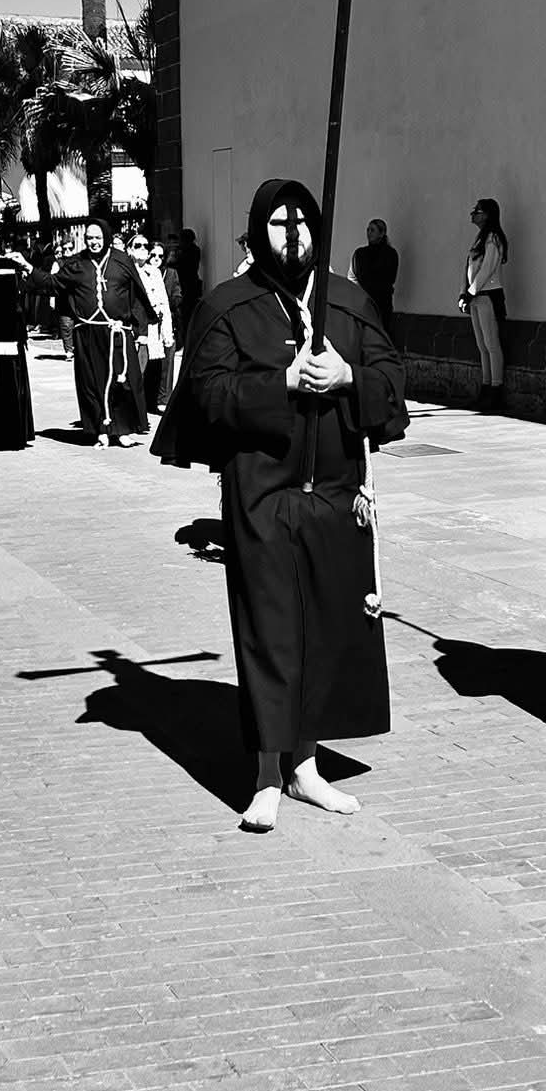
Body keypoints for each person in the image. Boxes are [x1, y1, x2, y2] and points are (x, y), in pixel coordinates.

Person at [153, 177, 407, 832]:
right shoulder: (229, 306)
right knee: (269, 631)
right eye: (278, 223)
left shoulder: (348, 303)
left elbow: (391, 381)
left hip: (335, 497)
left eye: (301, 222)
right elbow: (208, 394)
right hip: (263, 496)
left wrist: (349, 377)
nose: (292, 235)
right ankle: (268, 773)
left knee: (324, 631)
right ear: (257, 232)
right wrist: (283, 382)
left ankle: (306, 768)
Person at [11, 217, 157, 447]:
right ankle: (101, 429)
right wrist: (28, 267)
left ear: (106, 237)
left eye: (98, 237)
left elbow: (137, 297)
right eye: (89, 238)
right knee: (92, 384)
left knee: (123, 381)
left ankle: (122, 430)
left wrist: (141, 330)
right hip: (88, 333)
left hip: (117, 332)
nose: (94, 242)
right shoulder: (77, 263)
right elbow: (53, 283)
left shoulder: (121, 261)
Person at [459, 197, 508, 410]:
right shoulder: (479, 239)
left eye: (477, 211)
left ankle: (496, 388)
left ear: (487, 215)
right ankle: (486, 386)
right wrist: (463, 293)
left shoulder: (493, 238)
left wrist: (470, 292)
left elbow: (487, 269)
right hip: (476, 296)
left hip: (488, 296)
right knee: (482, 345)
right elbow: (468, 268)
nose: (473, 214)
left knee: (491, 344)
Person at [128, 230, 174, 413]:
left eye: (145, 246)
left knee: (150, 368)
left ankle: (144, 408)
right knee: (133, 371)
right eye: (137, 245)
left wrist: (167, 332)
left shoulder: (154, 272)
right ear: (129, 249)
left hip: (153, 327)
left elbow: (164, 303)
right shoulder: (125, 272)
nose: (142, 249)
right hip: (132, 328)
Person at [352, 219, 399, 335]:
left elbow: (390, 278)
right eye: (368, 230)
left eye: (372, 230)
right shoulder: (360, 254)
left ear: (381, 233)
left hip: (382, 302)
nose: (369, 233)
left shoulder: (390, 254)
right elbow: (353, 276)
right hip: (364, 301)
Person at [151, 241, 183, 402]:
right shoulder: (140, 273)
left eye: (160, 256)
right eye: (153, 255)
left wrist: (165, 304)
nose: (156, 258)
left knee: (167, 364)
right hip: (148, 325)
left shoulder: (171, 273)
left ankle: (164, 399)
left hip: (167, 323)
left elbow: (177, 295)